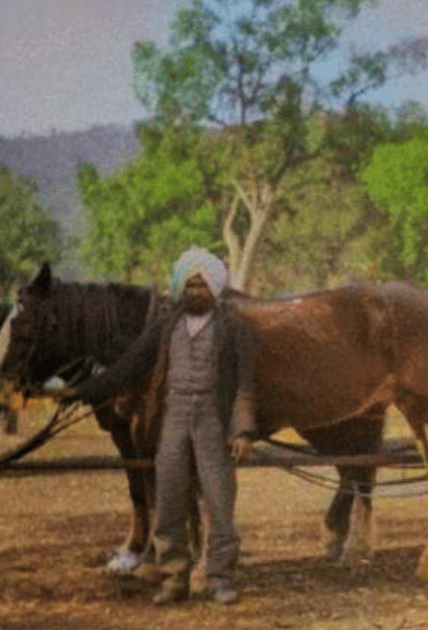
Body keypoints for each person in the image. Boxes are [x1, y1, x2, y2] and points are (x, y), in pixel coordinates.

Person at [68, 246, 258, 605]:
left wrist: (243, 431)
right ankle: (174, 579)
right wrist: (83, 391)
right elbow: (129, 366)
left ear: (215, 288)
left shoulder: (235, 329)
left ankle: (220, 579)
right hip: (174, 420)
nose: (195, 292)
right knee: (169, 502)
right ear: (181, 288)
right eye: (190, 286)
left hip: (213, 422)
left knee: (219, 503)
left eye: (202, 286)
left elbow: (245, 385)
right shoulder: (166, 325)